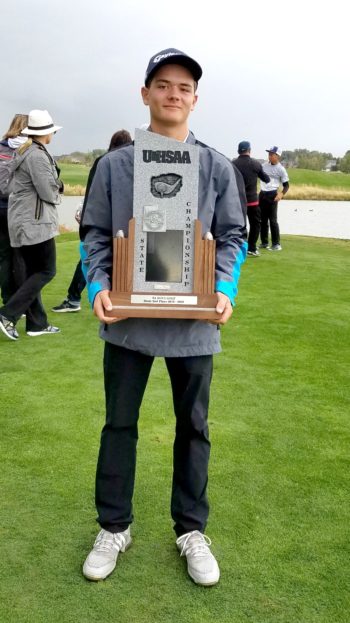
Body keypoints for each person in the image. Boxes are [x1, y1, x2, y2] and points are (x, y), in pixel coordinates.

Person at [81, 48, 247, 586]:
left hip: (194, 324)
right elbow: (95, 235)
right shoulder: (115, 165)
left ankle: (191, 528)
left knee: (193, 427)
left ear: (195, 99)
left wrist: (224, 288)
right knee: (119, 425)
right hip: (129, 320)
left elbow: (232, 237)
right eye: (163, 84)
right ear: (145, 92)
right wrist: (99, 286)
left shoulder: (217, 165)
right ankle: (114, 525)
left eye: (183, 87)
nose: (173, 93)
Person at [52, 130, 132, 313]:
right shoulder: (108, 163)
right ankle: (79, 297)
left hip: (103, 226)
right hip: (113, 227)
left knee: (89, 258)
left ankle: (75, 298)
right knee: (92, 258)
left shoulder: (104, 161)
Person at [0, 110, 63, 341]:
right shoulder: (37, 155)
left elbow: (9, 187)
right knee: (47, 270)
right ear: (46, 133)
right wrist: (59, 189)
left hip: (22, 221)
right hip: (35, 223)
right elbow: (48, 191)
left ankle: (37, 323)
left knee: (33, 273)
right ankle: (7, 314)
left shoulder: (24, 150)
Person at [0, 114, 28, 304]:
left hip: (0, 208)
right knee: (21, 257)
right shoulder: (27, 148)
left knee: (4, 256)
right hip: (17, 209)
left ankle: (7, 298)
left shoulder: (1, 145)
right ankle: (17, 303)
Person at [233, 140, 270, 257]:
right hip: (252, 202)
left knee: (239, 225)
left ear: (239, 150)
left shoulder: (233, 164)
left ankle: (239, 248)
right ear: (249, 150)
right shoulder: (255, 164)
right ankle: (252, 247)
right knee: (255, 224)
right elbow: (266, 179)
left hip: (238, 202)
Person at [259, 146, 289, 251]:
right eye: (269, 154)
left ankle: (276, 244)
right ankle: (264, 242)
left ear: (278, 156)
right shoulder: (263, 166)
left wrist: (281, 194)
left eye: (272, 154)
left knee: (272, 220)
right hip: (262, 195)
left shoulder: (281, 169)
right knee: (262, 220)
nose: (269, 156)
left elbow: (286, 185)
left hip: (273, 196)